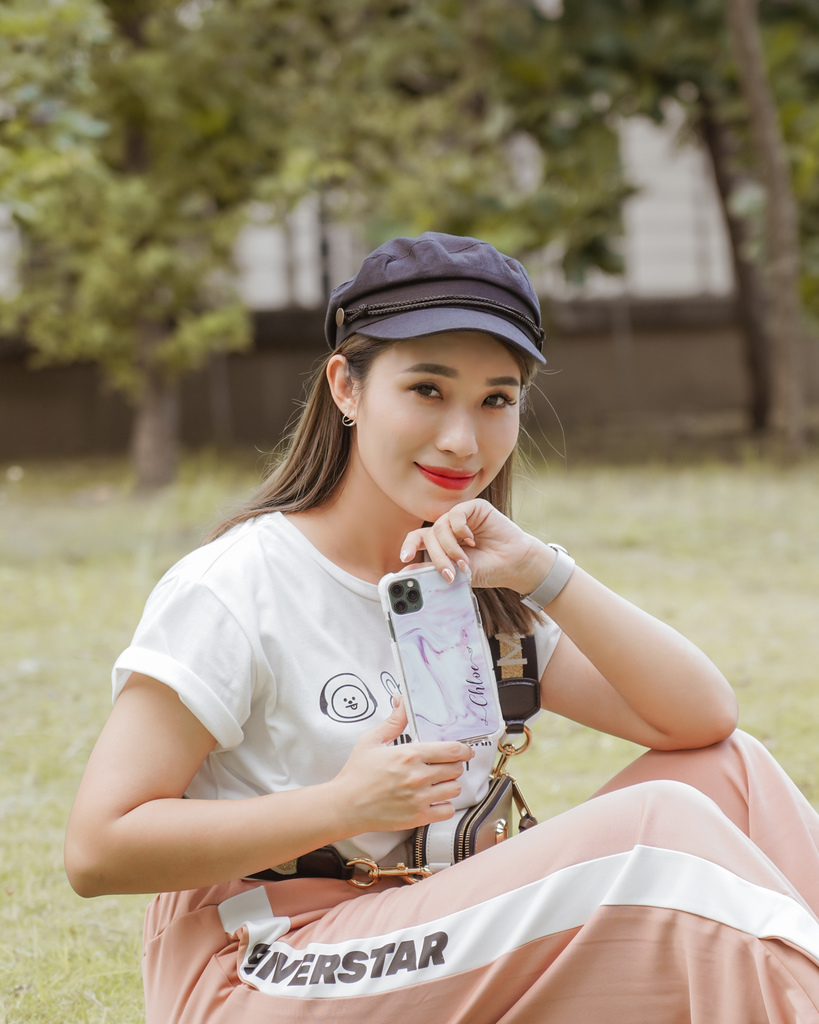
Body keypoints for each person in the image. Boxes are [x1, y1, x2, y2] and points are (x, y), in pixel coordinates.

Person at [65, 232, 819, 1023]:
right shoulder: (236, 586)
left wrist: (541, 572)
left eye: (496, 400)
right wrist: (343, 805)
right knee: (657, 829)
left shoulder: (472, 583)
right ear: (346, 388)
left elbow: (700, 721)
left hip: (434, 925)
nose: (463, 440)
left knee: (727, 774)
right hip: (265, 966)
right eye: (427, 389)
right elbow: (98, 848)